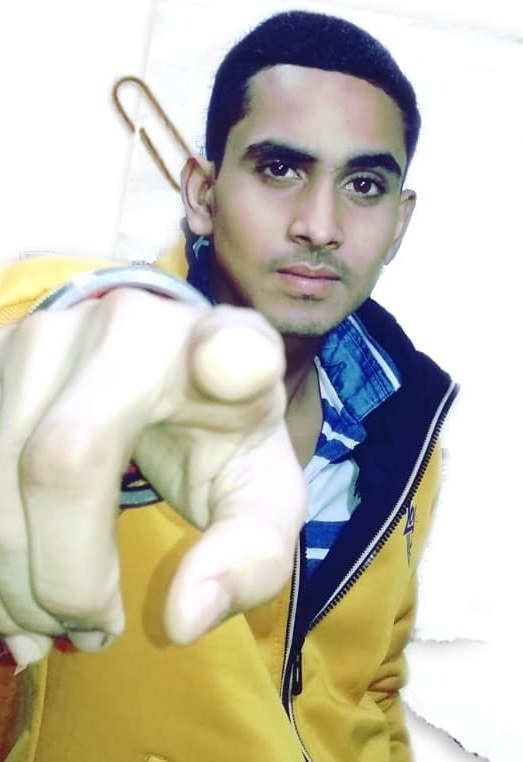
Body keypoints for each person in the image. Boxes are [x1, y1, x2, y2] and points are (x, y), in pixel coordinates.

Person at [0, 9, 457, 760]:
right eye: (280, 169)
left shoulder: (406, 428)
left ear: (399, 222)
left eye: (364, 184)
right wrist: (42, 340)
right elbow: (44, 335)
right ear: (203, 194)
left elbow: (369, 684)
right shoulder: (104, 347)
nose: (320, 224)